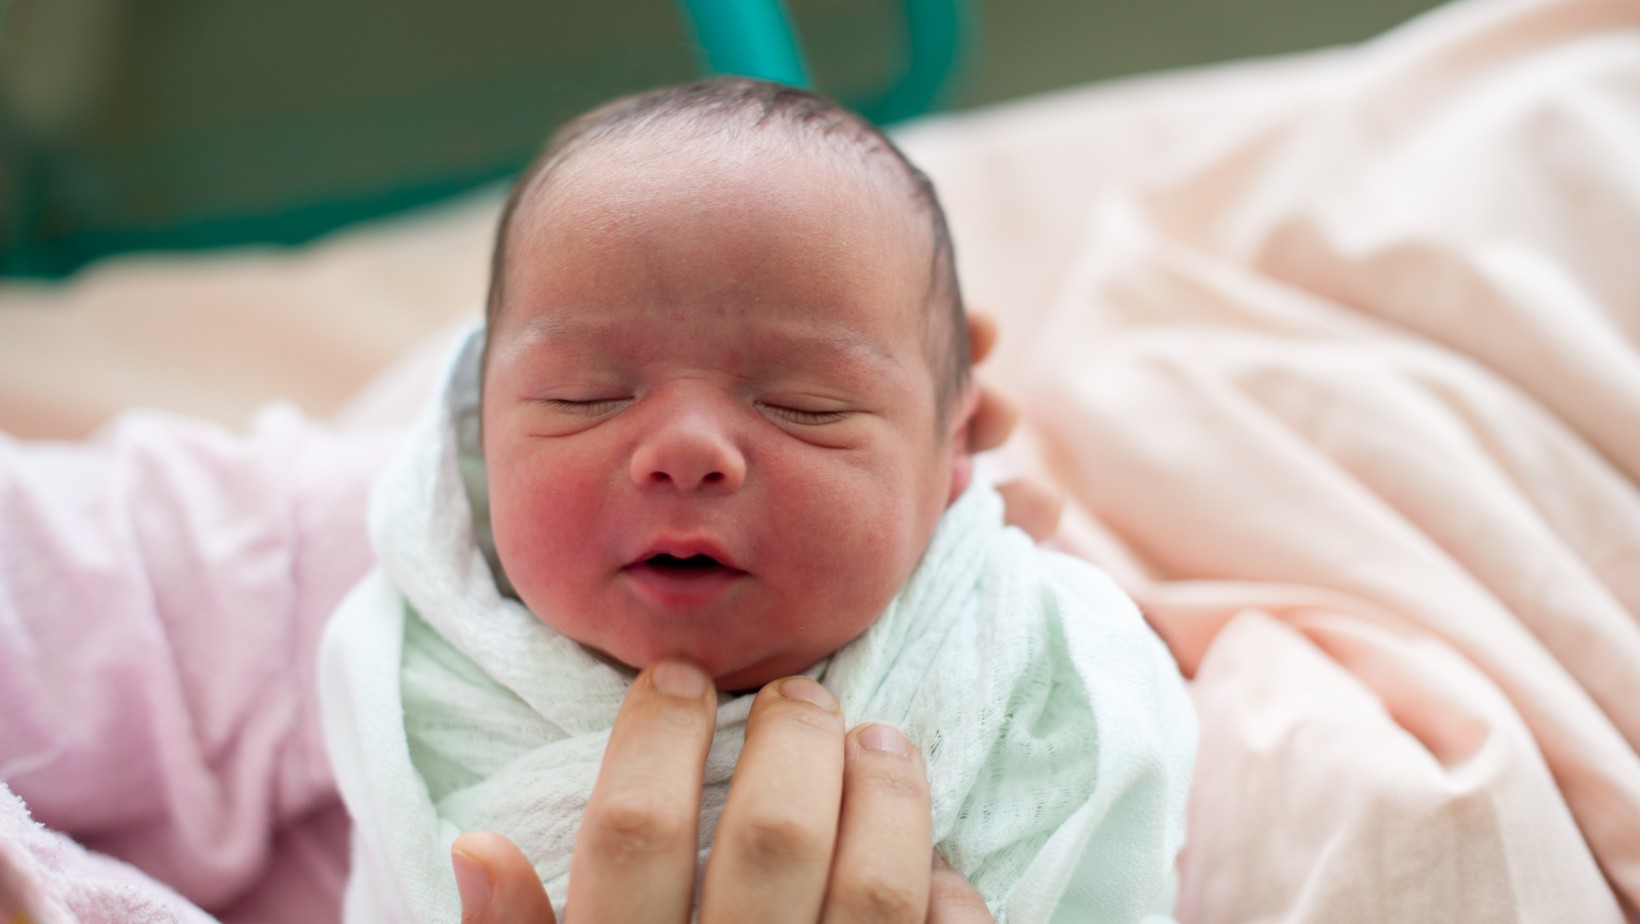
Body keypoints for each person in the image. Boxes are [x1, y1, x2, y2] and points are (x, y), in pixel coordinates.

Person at [319, 76, 1195, 923]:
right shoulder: (409, 666)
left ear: (953, 450)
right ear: (477, 429)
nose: (687, 450)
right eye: (585, 394)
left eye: (803, 404)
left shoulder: (1046, 666)